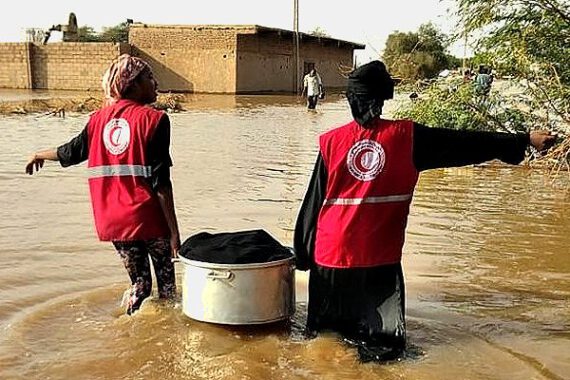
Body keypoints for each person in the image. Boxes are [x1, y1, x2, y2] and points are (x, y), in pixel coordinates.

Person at [293, 60, 555, 362]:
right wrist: (524, 140)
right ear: (382, 99)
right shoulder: (408, 138)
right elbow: (465, 144)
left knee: (325, 344)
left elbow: (313, 202)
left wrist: (302, 253)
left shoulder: (331, 142)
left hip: (331, 257)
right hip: (379, 258)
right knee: (385, 352)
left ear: (351, 99)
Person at [25, 54, 181, 315]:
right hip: (149, 217)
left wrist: (38, 154)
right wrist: (174, 232)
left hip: (115, 221)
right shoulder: (155, 120)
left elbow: (70, 152)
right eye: (149, 78)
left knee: (139, 285)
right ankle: (166, 335)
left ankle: (129, 326)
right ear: (131, 84)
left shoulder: (97, 120)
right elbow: (161, 182)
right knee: (166, 287)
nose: (155, 83)